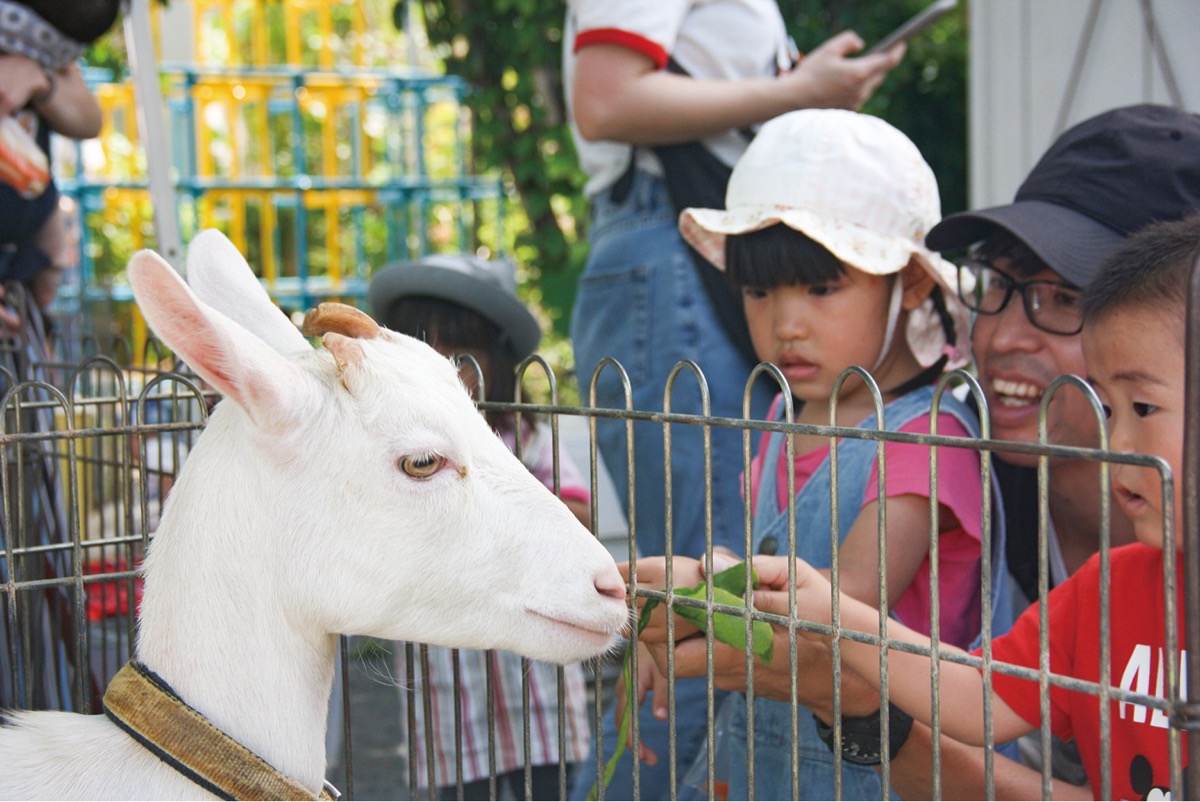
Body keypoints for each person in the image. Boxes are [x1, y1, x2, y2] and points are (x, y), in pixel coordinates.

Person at [632, 102, 1200, 799]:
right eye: (1002, 286)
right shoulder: (1094, 577)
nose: (1007, 337)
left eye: (1065, 297)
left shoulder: (928, 441)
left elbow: (835, 605)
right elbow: (977, 690)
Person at [563, 4, 904, 795]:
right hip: (664, 246)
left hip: (665, 261)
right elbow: (605, 98)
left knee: (705, 611)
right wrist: (795, 92)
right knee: (706, 625)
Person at [623, 108, 1012, 801]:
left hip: (885, 765)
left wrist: (696, 587)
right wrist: (681, 609)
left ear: (913, 285)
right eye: (758, 290)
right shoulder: (781, 417)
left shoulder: (926, 440)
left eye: (822, 288)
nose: (785, 321)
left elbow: (843, 604)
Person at [765, 213, 1200, 800]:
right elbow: (979, 695)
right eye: (1108, 408)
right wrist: (833, 614)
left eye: (1143, 408)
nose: (1115, 443)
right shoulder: (1105, 591)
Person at [367, 255, 593, 800]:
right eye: (428, 349)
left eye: (462, 352)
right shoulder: (392, 451)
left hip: (531, 670)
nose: (446, 366)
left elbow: (578, 514)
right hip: (448, 677)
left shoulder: (525, 437)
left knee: (551, 786)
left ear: (499, 360)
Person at [0, 0, 122, 714]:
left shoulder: (33, 43)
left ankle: (40, 707)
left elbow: (87, 113)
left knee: (33, 537)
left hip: (18, 319)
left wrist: (33, 78)